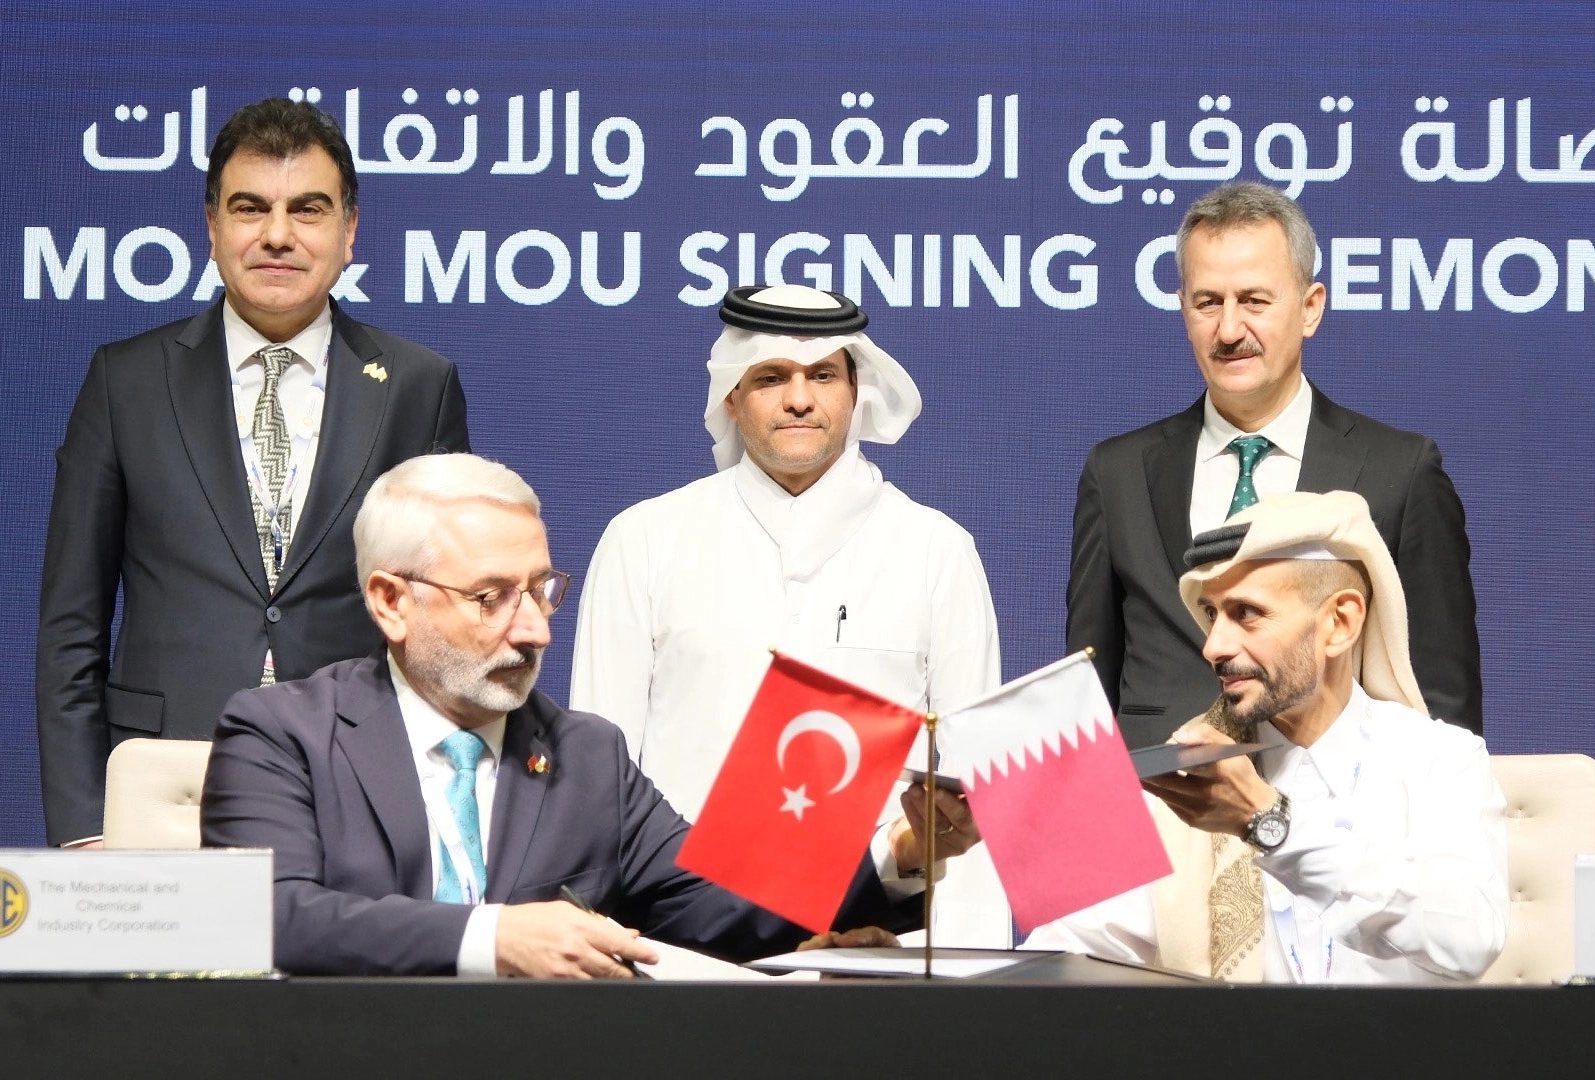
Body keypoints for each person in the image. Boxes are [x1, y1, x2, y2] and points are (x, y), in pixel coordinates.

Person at [200, 454, 955, 977]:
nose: (534, 629)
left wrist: (898, 852)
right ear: (391, 602)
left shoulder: (586, 755)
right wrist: (495, 937)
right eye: (491, 597)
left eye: (541, 589)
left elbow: (718, 905)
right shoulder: (283, 734)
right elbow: (268, 916)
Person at [36, 97, 470, 847]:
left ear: (349, 232)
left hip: (360, 787)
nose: (277, 234)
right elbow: (72, 627)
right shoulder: (125, 382)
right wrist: (82, 829)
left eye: (308, 209)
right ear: (212, 228)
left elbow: (442, 623)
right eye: (249, 208)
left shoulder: (416, 387)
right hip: (163, 791)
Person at [570, 284, 1006, 944]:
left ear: (857, 391)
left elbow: (974, 787)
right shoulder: (644, 540)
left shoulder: (936, 550)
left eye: (822, 375)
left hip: (876, 952)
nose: (799, 399)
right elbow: (600, 781)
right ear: (731, 396)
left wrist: (966, 973)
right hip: (681, 948)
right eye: (771, 377)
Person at [1028, 489, 1508, 983]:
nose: (1213, 646)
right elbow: (1062, 958)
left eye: (1247, 613)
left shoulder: (1440, 760)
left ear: (1340, 623)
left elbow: (1470, 941)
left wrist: (1268, 822)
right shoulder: (1179, 778)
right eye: (1211, 614)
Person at [1066, 182, 1482, 748]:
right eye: (1207, 302)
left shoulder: (1401, 472)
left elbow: (1444, 711)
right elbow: (1084, 696)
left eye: (1254, 301)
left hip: (1337, 796)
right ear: (1183, 308)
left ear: (1310, 308)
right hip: (1161, 793)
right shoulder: (1116, 473)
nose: (1229, 330)